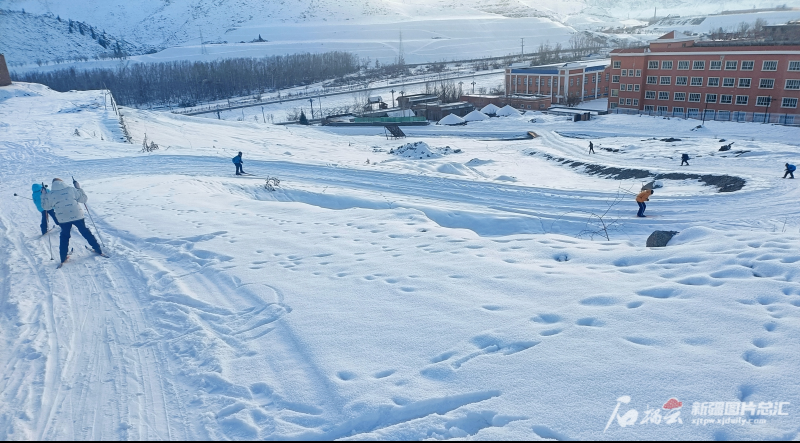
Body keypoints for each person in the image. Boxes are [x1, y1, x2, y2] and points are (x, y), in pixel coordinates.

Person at [41, 178, 103, 264]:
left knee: (64, 236)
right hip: (77, 215)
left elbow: (46, 207)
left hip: (63, 218)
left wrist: (44, 195)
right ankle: (98, 249)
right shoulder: (71, 189)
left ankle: (63, 257)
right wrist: (78, 188)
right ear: (62, 182)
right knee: (85, 232)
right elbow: (83, 199)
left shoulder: (50, 194)